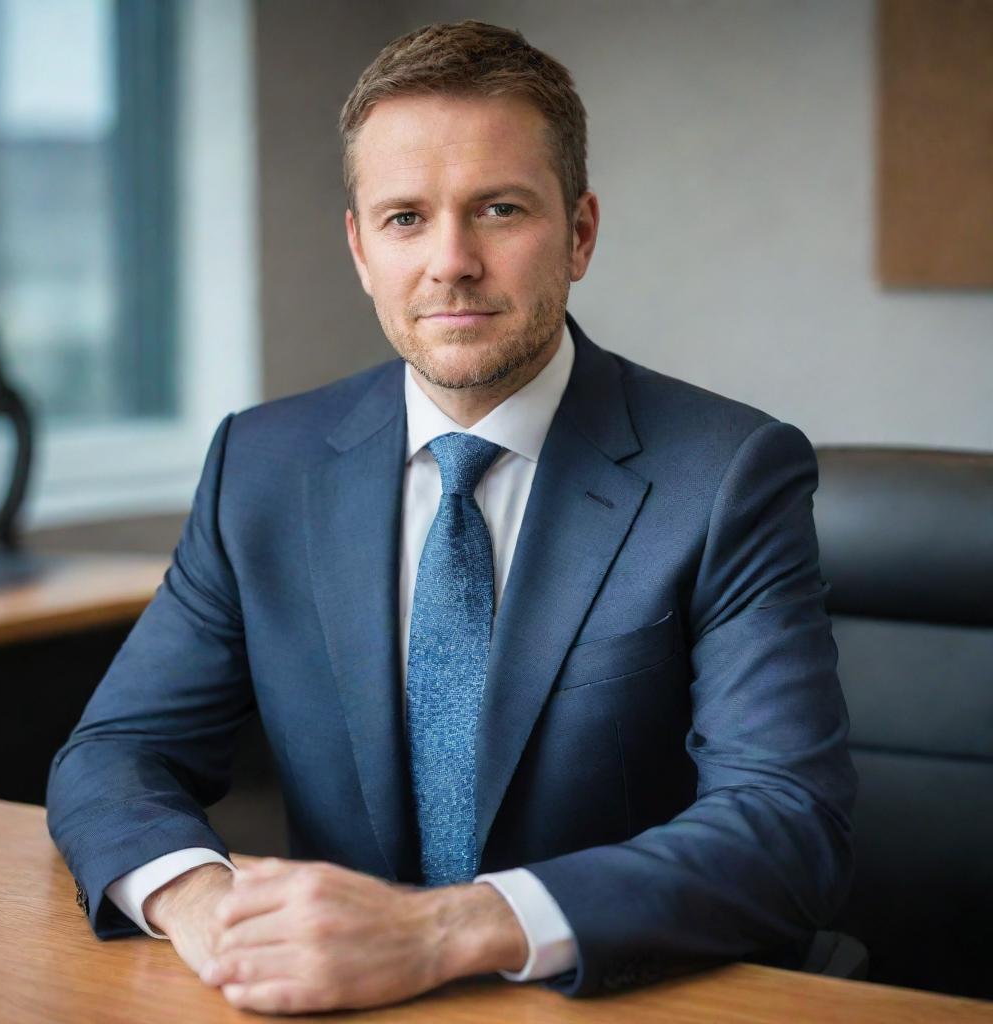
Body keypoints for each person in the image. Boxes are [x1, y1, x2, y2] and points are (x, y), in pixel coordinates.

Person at [47, 20, 856, 1015]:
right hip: (340, 1002)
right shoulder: (261, 465)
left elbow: (786, 825)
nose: (451, 261)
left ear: (581, 232)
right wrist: (201, 902)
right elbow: (113, 753)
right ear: (358, 248)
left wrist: (445, 928)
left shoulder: (729, 472)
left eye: (499, 209)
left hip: (608, 998)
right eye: (403, 219)